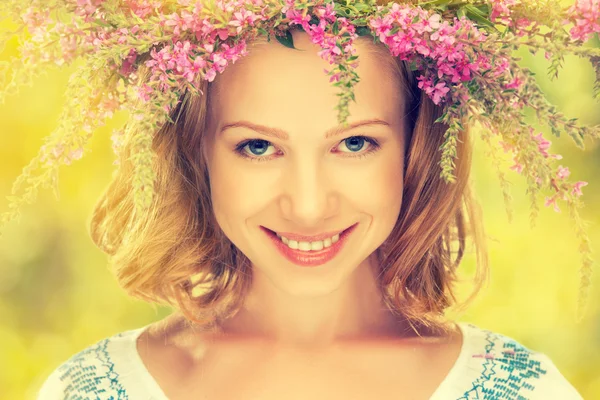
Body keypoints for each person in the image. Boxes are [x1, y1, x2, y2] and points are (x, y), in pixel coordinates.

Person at [34, 25, 584, 399]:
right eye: (257, 147)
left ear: (416, 146)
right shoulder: (93, 388)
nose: (308, 205)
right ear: (196, 152)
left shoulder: (523, 390)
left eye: (353, 144)